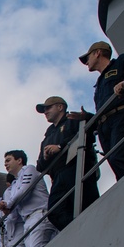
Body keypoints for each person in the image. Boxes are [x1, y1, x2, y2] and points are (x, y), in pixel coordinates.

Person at [72, 41, 124, 180]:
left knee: (120, 157)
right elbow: (105, 108)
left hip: (123, 117)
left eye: (88, 57)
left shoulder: (122, 62)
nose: (86, 62)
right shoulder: (99, 83)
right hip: (105, 126)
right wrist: (88, 117)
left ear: (97, 53)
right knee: (115, 163)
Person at [36, 96, 100, 230]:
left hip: (77, 167)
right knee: (54, 212)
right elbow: (40, 166)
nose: (45, 112)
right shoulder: (47, 137)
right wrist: (45, 157)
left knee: (85, 201)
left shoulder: (73, 121)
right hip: (58, 176)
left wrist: (60, 146)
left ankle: (93, 227)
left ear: (60, 107)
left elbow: (90, 128)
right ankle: (78, 230)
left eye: (48, 108)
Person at [0, 150, 56, 247]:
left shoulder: (29, 169)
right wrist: (5, 208)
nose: (5, 164)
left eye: (8, 160)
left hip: (39, 214)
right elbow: (13, 209)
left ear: (19, 160)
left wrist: (7, 204)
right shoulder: (14, 185)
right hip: (27, 221)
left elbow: (24, 190)